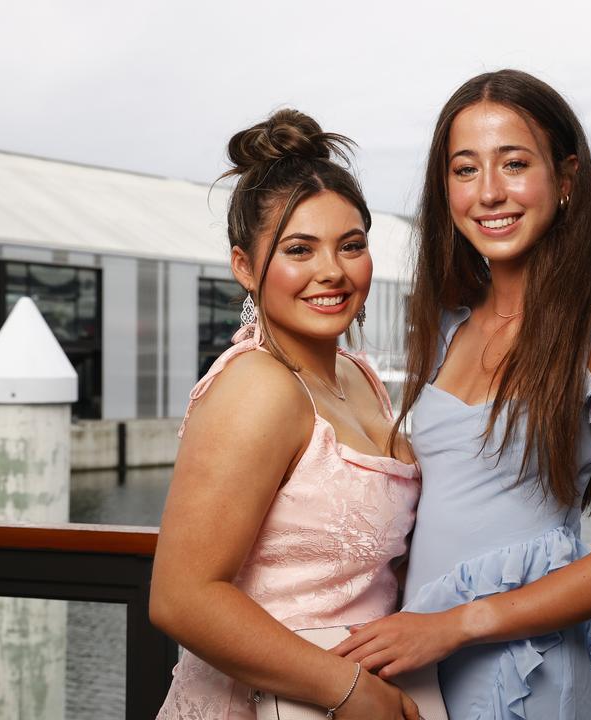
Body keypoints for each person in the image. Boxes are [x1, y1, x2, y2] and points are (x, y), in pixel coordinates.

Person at [332, 69, 591, 719]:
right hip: (413, 665)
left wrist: (455, 625)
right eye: (465, 170)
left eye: (514, 164)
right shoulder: (448, 321)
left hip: (520, 665)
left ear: (566, 179)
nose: (489, 193)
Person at [150, 109, 421, 720]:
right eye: (300, 249)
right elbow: (181, 598)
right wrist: (349, 689)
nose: (333, 271)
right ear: (245, 266)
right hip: (270, 704)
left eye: (351, 246)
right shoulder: (258, 387)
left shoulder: (358, 376)